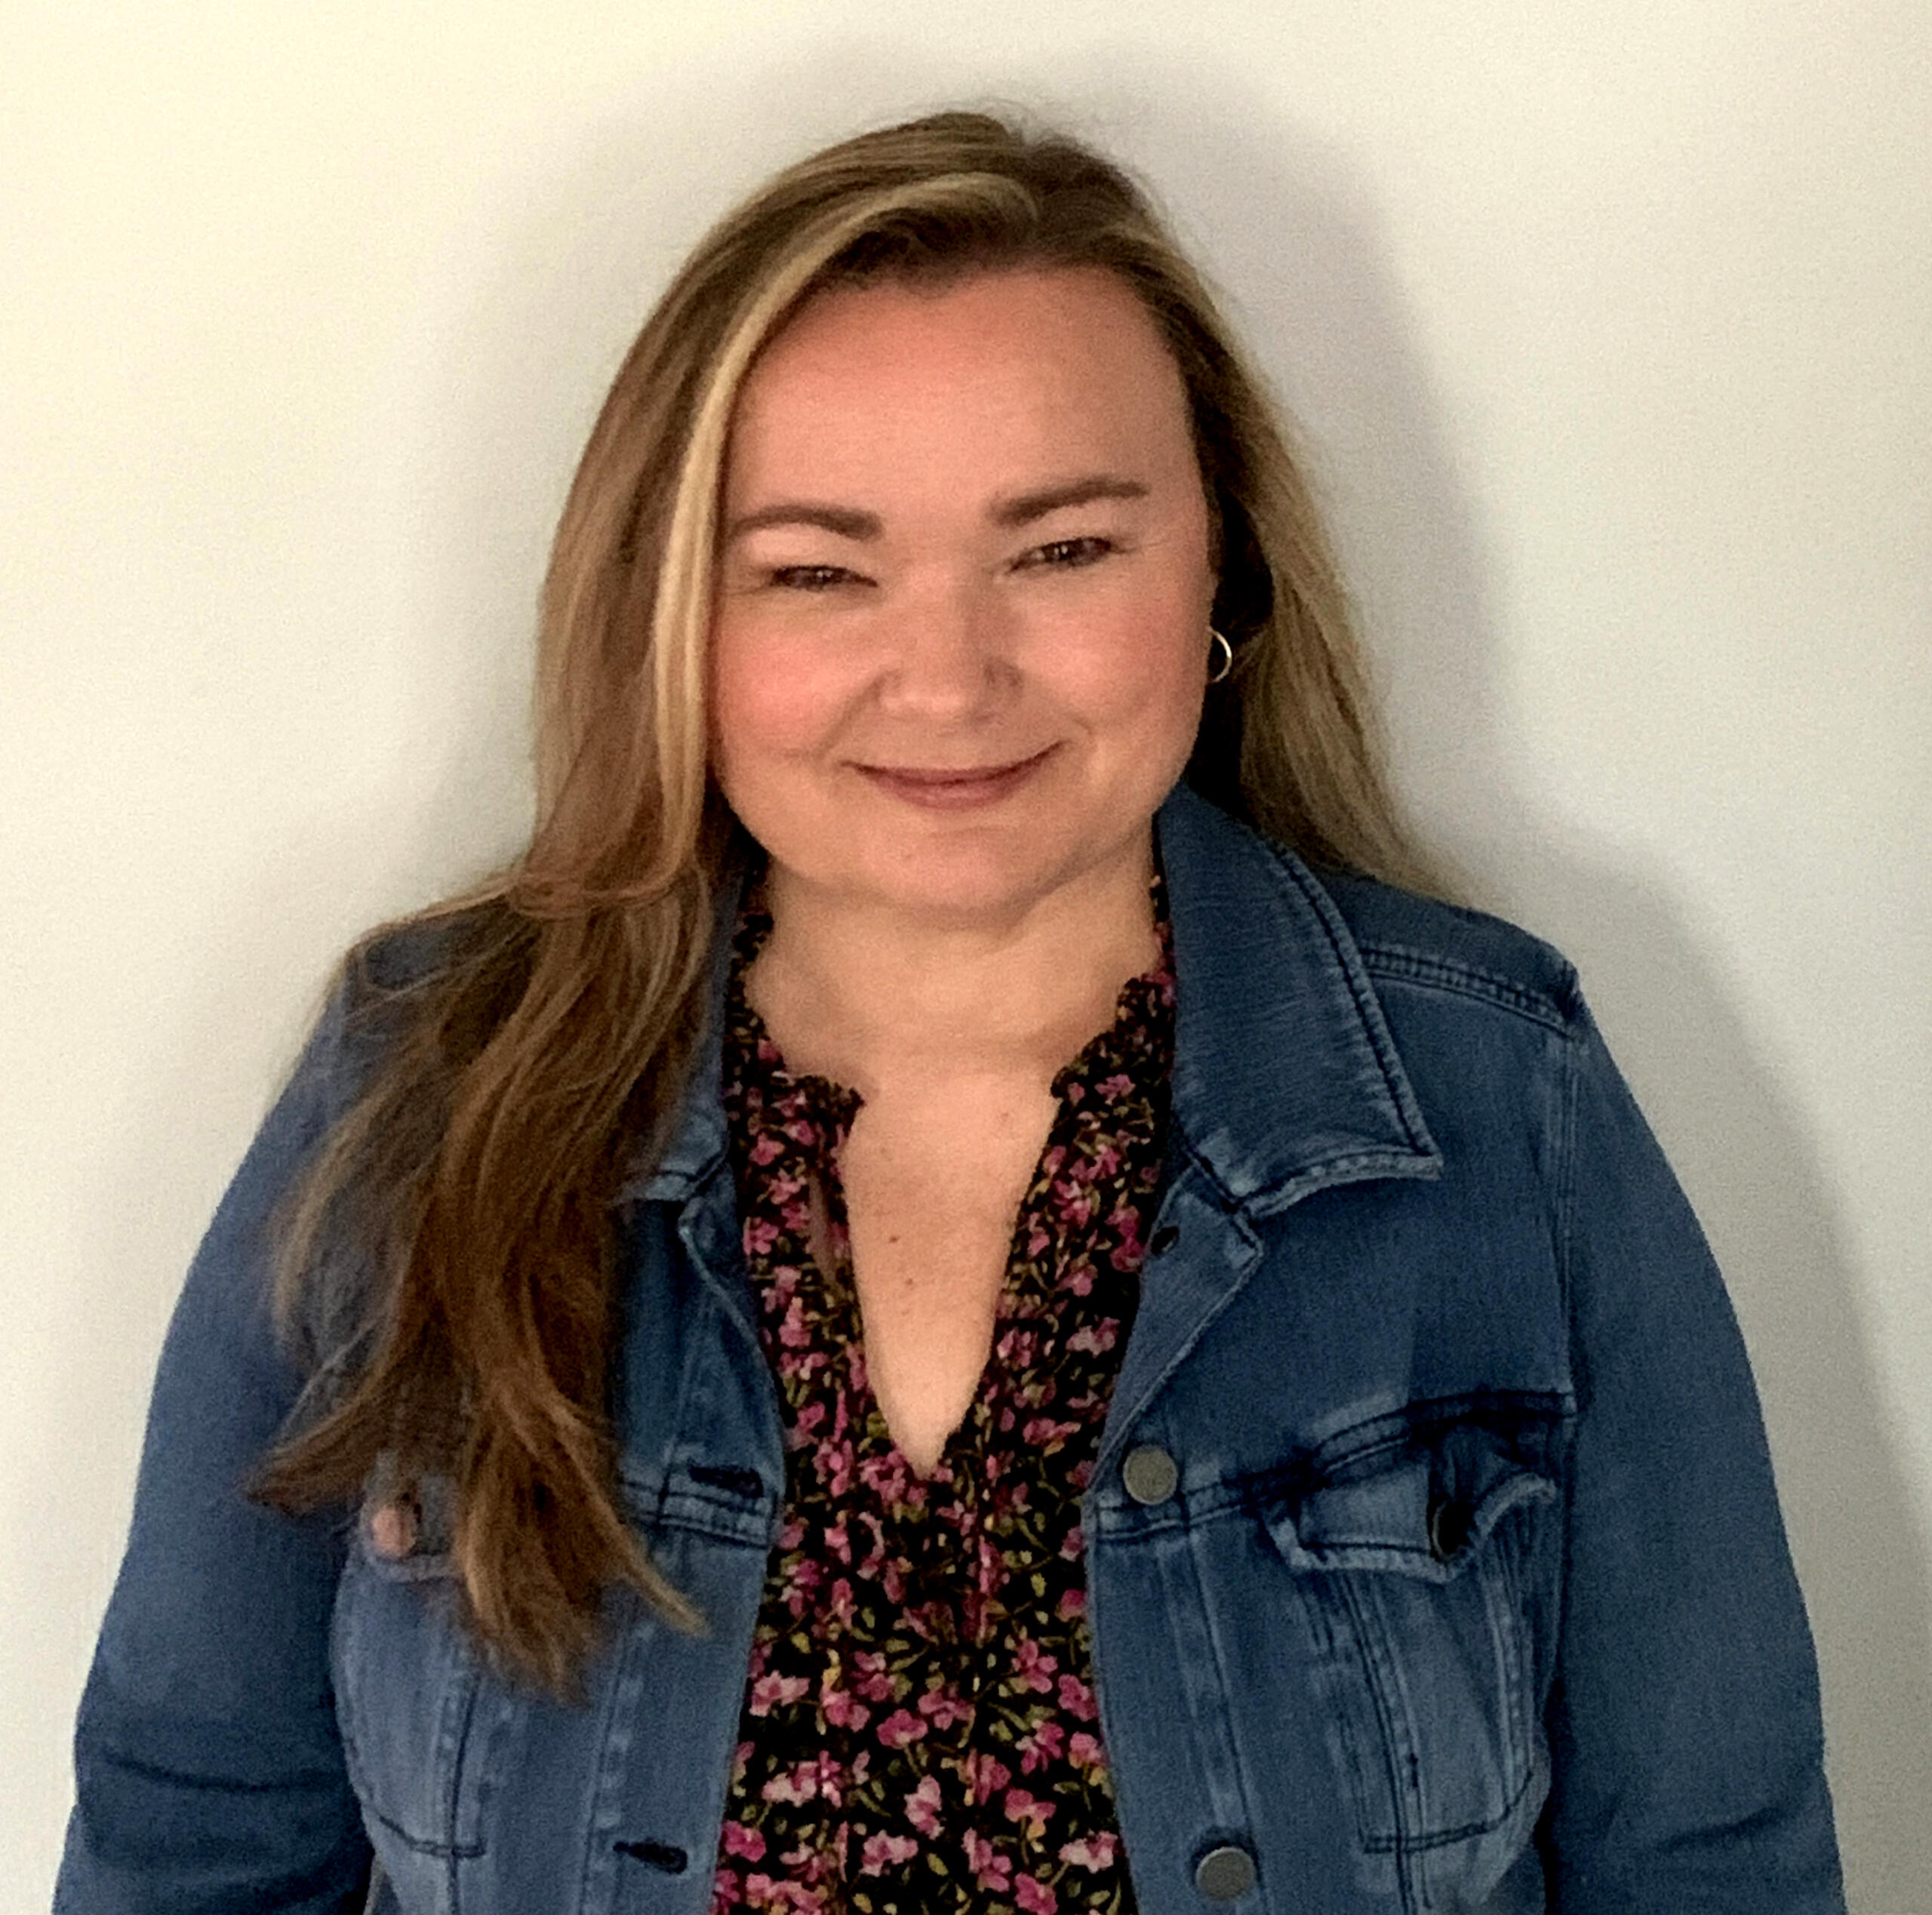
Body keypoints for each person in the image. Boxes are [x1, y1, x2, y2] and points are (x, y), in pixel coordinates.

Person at [57, 111, 1844, 1915]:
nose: (947, 676)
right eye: (816, 571)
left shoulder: (1493, 1107)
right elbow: (194, 1842)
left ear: (1215, 568)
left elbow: (1710, 1863)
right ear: (667, 617)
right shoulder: (418, 1101)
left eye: (1061, 551)